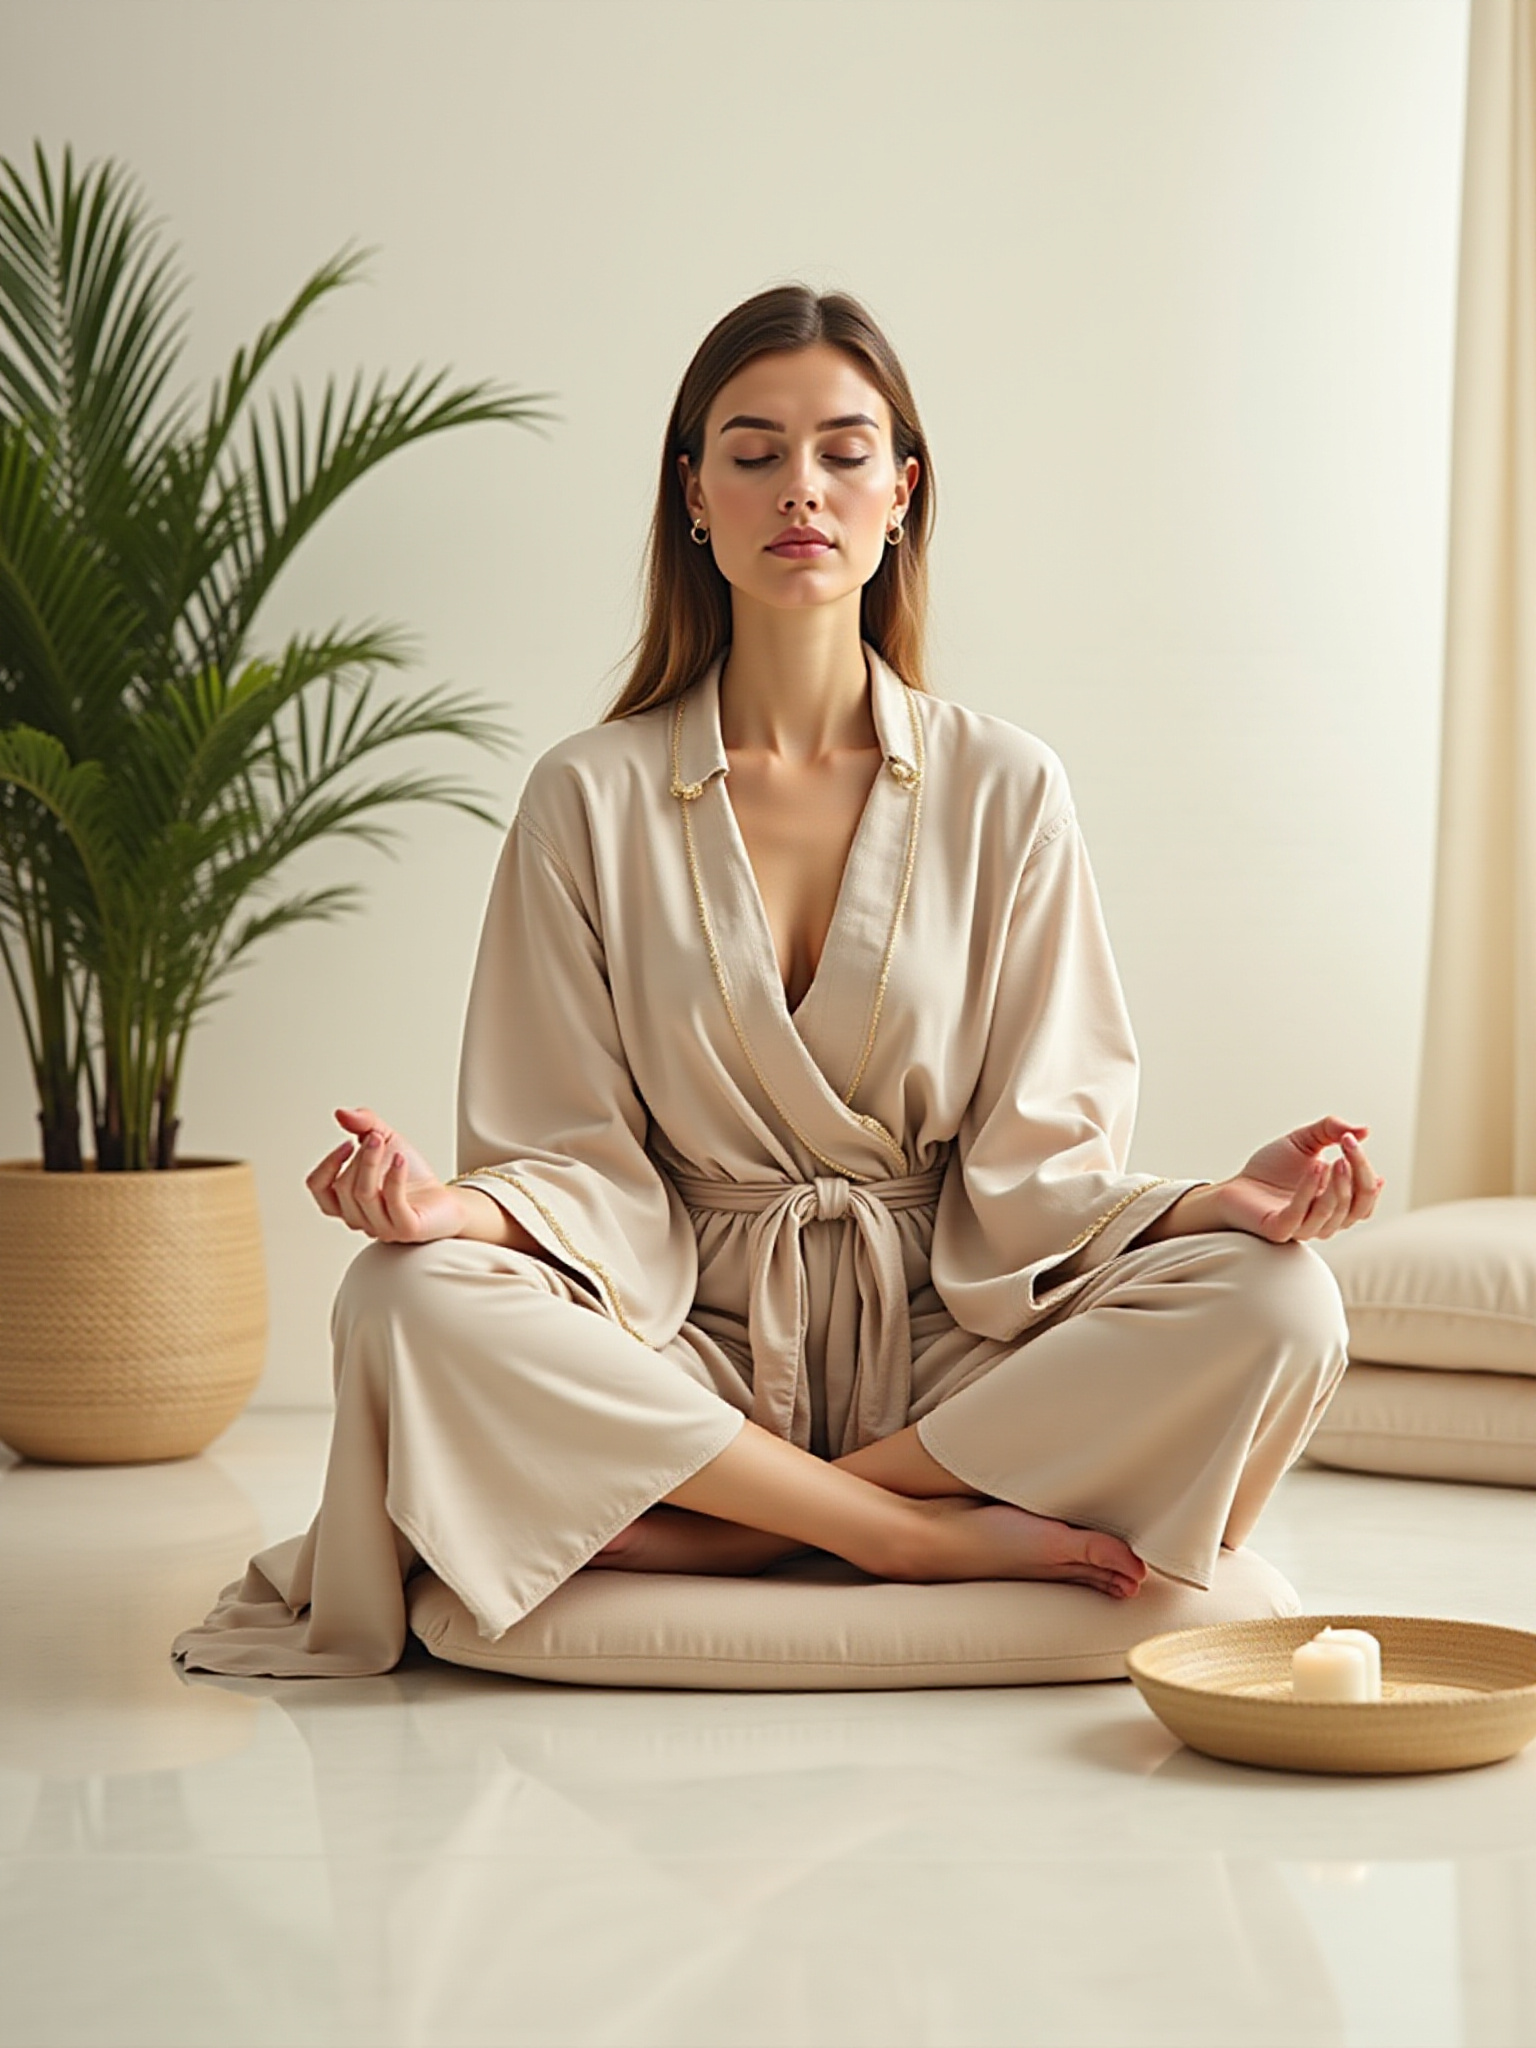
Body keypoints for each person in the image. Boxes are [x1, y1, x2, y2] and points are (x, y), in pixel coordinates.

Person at [173, 285, 1374, 1679]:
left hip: (947, 1347)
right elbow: (569, 1156)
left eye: (844, 452)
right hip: (685, 1346)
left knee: (1282, 1303)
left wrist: (1212, 1207)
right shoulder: (588, 795)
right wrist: (450, 1212)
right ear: (694, 493)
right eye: (754, 453)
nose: (801, 487)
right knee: (405, 1299)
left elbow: (1041, 1165)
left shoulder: (1006, 786)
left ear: (901, 493)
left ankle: (736, 1524)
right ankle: (903, 1534)